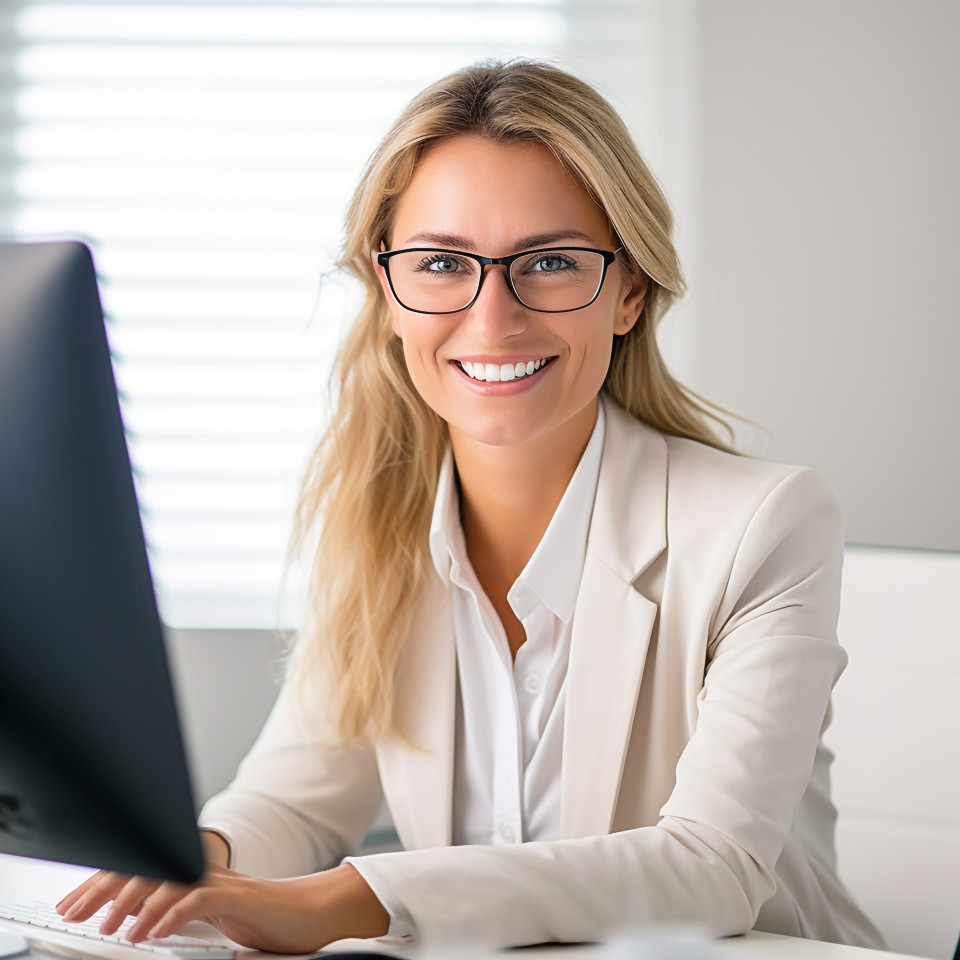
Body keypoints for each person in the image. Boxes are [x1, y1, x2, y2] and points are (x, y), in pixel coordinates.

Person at [57, 60, 883, 952]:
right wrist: (193, 865)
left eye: (553, 262)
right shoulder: (378, 528)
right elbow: (295, 799)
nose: (493, 321)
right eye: (444, 264)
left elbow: (709, 869)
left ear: (629, 293)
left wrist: (343, 901)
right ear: (387, 294)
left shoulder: (766, 526)